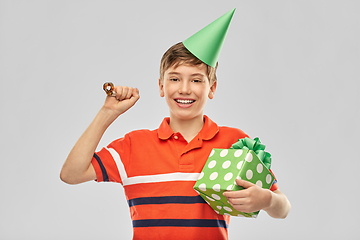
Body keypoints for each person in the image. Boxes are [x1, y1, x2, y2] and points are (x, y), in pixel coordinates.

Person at [60, 9, 290, 240]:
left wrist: (267, 200)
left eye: (196, 80)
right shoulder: (134, 146)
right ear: (161, 86)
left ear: (212, 88)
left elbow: (283, 207)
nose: (185, 89)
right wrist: (107, 113)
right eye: (175, 78)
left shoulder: (233, 142)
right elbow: (71, 173)